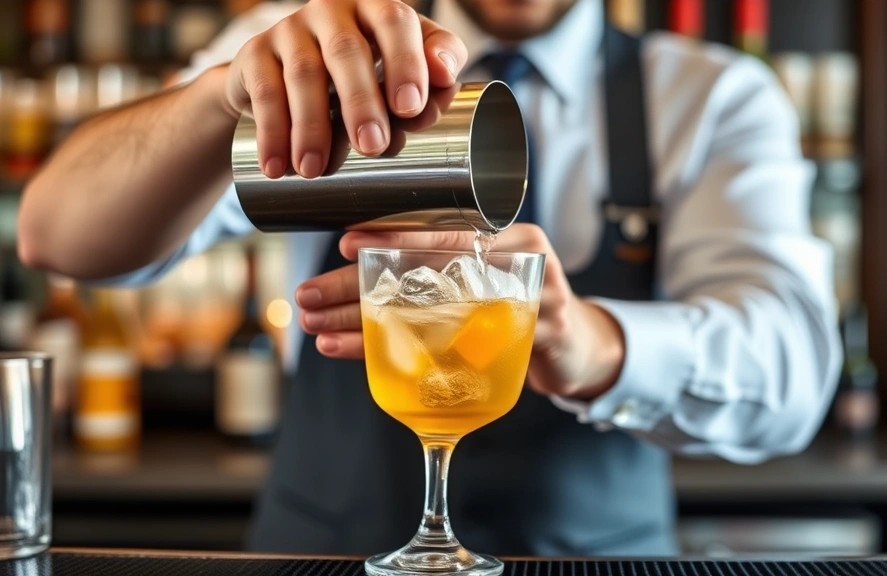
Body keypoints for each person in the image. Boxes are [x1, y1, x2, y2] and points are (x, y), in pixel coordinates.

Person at [18, 0, 842, 557]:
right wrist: (213, 103)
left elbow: (794, 373)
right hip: (325, 556)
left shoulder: (709, 96)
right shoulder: (316, 48)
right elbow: (53, 232)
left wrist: (592, 342)